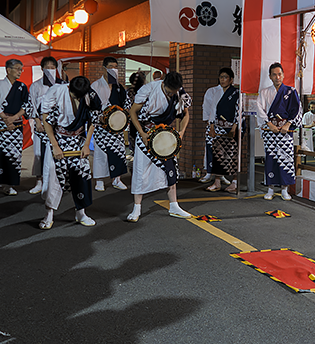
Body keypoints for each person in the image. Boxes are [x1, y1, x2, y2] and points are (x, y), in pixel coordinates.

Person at [126, 71, 193, 221]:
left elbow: (185, 114)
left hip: (165, 136)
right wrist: (142, 133)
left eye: (174, 92)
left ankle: (174, 206)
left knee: (171, 169)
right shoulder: (148, 89)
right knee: (140, 171)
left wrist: (181, 132)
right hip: (146, 134)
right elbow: (133, 112)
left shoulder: (179, 92)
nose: (172, 94)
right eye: (169, 92)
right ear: (163, 84)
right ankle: (136, 208)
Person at [38, 76, 101, 229]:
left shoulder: (90, 95)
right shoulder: (56, 91)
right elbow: (47, 120)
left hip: (78, 140)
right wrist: (55, 146)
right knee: (53, 175)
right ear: (69, 88)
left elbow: (94, 119)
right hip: (58, 138)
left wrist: (87, 145)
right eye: (75, 95)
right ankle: (49, 214)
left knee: (82, 174)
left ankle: (81, 213)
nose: (78, 98)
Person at [0, 59, 28, 197]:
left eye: (21, 69)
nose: (20, 71)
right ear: (8, 70)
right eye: (17, 68)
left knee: (13, 155)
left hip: (15, 124)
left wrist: (13, 118)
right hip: (1, 124)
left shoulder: (22, 86)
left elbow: (27, 105)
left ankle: (9, 185)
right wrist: (4, 117)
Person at [257, 63, 302, 201]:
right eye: (274, 74)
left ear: (283, 75)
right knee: (270, 159)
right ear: (270, 76)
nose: (277, 77)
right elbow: (260, 109)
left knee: (286, 159)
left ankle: (284, 189)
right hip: (271, 131)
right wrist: (269, 124)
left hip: (285, 131)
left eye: (280, 74)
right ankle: (270, 188)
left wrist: (288, 124)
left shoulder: (291, 91)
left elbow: (297, 110)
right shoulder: (264, 92)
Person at [91, 57, 129, 191]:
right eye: (111, 66)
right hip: (102, 128)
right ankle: (99, 180)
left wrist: (124, 117)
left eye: (116, 67)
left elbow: (126, 104)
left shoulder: (119, 87)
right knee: (101, 154)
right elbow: (90, 107)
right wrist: (99, 117)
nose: (114, 69)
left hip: (117, 127)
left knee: (118, 152)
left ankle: (117, 179)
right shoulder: (95, 86)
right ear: (104, 68)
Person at [28, 56, 63, 194]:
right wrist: (37, 122)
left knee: (58, 152)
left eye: (53, 67)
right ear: (42, 69)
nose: (50, 70)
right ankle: (39, 181)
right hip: (41, 126)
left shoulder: (62, 84)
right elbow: (31, 105)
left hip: (58, 126)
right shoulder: (36, 85)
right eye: (47, 67)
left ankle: (57, 181)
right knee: (40, 152)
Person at [204, 67, 239, 193]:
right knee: (217, 154)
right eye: (221, 77)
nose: (223, 80)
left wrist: (235, 126)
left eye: (225, 77)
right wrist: (211, 125)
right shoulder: (217, 92)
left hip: (231, 127)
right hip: (218, 126)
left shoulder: (236, 93)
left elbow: (239, 111)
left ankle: (234, 182)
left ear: (231, 80)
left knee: (232, 155)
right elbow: (213, 109)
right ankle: (217, 182)